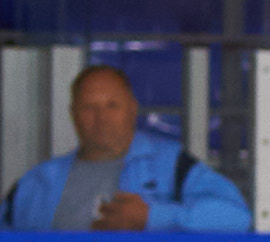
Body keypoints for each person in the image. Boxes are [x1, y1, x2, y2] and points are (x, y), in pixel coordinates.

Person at [1, 65, 250, 232]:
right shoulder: (39, 181)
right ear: (72, 114)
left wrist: (153, 217)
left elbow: (237, 217)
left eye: (112, 106)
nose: (101, 118)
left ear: (133, 109)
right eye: (89, 107)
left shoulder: (170, 165)